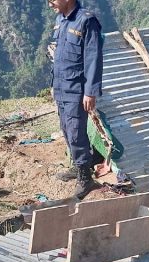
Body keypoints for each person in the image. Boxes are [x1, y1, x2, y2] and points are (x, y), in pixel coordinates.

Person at [48, 0, 104, 200]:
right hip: (61, 87)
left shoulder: (86, 21)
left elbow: (93, 59)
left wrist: (90, 92)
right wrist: (54, 85)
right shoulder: (61, 20)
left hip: (76, 89)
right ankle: (79, 164)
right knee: (66, 128)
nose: (50, 4)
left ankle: (85, 178)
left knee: (75, 131)